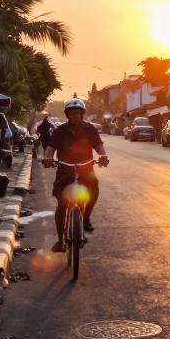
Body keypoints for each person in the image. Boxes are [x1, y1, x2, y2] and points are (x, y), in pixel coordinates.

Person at [42, 99, 109, 252]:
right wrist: (47, 159)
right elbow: (51, 147)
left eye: (78, 113)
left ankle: (85, 218)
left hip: (86, 169)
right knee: (62, 205)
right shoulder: (60, 131)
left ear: (82, 114)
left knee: (94, 186)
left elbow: (98, 145)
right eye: (72, 113)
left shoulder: (90, 129)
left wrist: (103, 156)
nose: (75, 116)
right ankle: (60, 241)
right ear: (67, 115)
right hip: (65, 170)